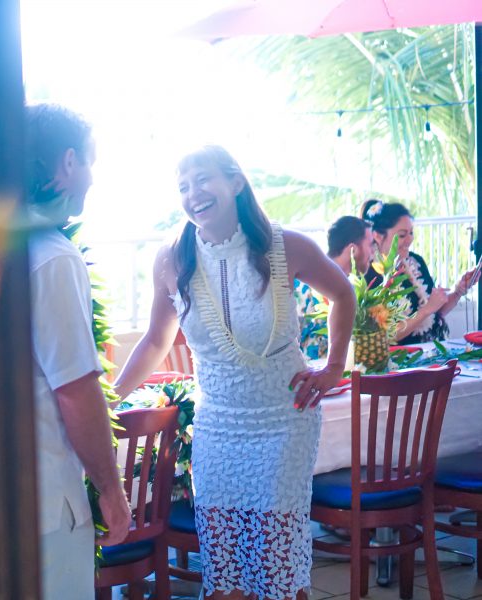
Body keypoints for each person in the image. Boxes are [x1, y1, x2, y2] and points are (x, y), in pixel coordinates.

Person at [114, 145, 355, 600]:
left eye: (203, 179)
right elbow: (154, 342)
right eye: (183, 187)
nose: (193, 194)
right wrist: (109, 399)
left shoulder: (287, 246)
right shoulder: (171, 258)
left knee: (275, 558)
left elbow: (343, 293)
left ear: (236, 183)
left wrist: (333, 367)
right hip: (217, 428)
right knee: (224, 564)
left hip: (285, 420)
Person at [25, 103, 131, 600]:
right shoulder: (51, 256)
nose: (91, 178)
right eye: (89, 162)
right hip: (47, 500)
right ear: (68, 164)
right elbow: (75, 391)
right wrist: (110, 491)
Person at [360, 199, 479, 344]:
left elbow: (436, 313)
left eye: (411, 233)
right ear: (378, 236)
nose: (409, 240)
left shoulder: (415, 262)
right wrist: (426, 310)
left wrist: (459, 289)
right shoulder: (370, 275)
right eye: (402, 235)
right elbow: (386, 336)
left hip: (431, 351)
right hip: (400, 360)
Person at [297, 216, 373, 358]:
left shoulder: (355, 287)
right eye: (370, 245)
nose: (373, 253)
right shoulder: (305, 286)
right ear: (353, 250)